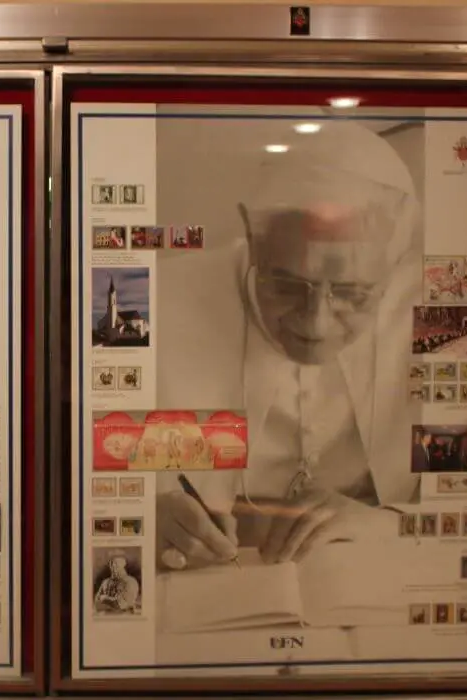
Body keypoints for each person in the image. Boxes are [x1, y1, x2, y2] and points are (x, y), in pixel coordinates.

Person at [155, 120, 422, 570]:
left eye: (353, 293)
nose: (316, 324)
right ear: (252, 237)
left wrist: (390, 523)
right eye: (286, 283)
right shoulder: (162, 300)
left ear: (394, 266)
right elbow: (101, 482)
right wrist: (147, 512)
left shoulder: (438, 315)